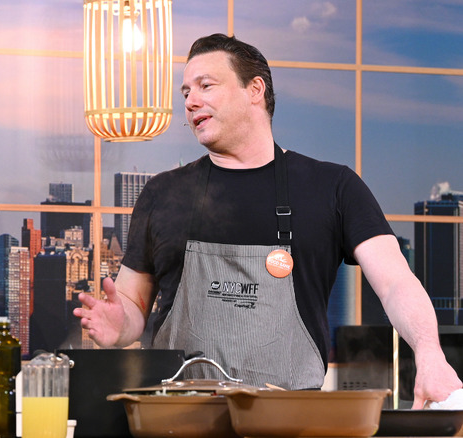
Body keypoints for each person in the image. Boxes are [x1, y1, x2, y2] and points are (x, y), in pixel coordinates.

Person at [74, 33, 461, 407]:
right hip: (179, 418)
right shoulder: (162, 192)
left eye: (205, 85)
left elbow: (396, 284)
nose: (191, 101)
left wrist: (429, 354)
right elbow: (131, 306)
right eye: (186, 92)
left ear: (255, 90)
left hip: (290, 420)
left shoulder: (333, 186)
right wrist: (117, 324)